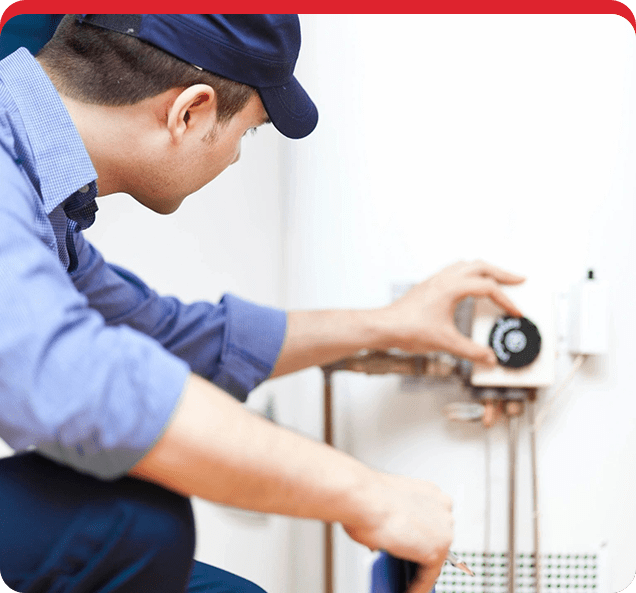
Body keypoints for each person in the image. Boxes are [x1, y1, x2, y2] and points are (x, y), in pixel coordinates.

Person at [0, 14, 524, 593]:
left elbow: (164, 338)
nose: (234, 157)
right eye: (247, 132)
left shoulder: (43, 197)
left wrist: (389, 325)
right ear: (190, 112)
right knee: (137, 523)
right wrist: (366, 495)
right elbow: (77, 379)